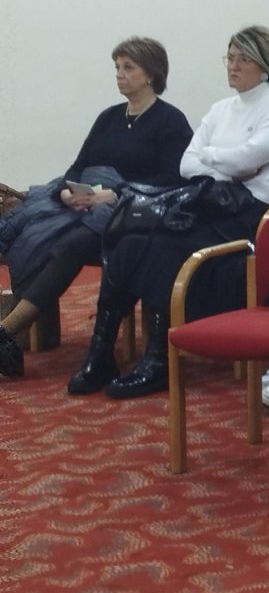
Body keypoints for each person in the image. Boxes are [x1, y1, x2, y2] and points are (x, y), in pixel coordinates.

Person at [66, 26, 269, 399]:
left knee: (165, 248)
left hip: (253, 213)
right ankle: (101, 354)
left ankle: (158, 360)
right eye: (230, 57)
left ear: (265, 64)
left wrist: (215, 158)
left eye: (244, 59)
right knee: (130, 241)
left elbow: (248, 160)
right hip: (210, 202)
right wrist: (225, 162)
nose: (233, 66)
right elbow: (189, 164)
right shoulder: (221, 109)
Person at [0, 38, 191, 379]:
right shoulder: (109, 118)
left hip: (135, 214)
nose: (119, 74)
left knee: (70, 244)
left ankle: (7, 328)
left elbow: (172, 179)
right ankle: (8, 333)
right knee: (38, 232)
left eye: (128, 67)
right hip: (85, 207)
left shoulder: (170, 121)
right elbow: (78, 166)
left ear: (151, 74)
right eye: (117, 67)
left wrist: (114, 195)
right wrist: (67, 192)